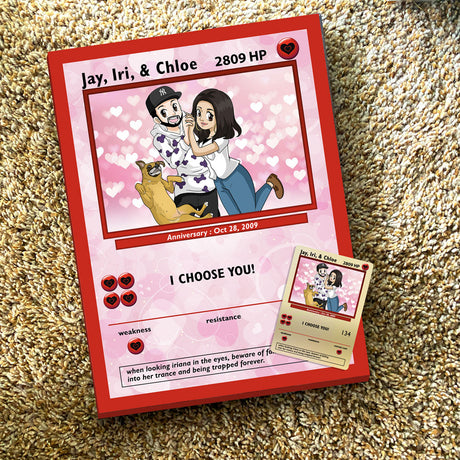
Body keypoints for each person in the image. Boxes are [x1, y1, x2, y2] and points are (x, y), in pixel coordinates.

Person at [184, 88, 284, 215]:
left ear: (221, 115)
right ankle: (269, 184)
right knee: (235, 215)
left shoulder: (221, 139)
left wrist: (190, 129)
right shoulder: (204, 138)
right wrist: (188, 127)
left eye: (209, 115)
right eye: (199, 113)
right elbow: (189, 143)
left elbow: (197, 151)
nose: (202, 119)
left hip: (234, 177)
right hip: (218, 181)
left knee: (250, 213)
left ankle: (270, 183)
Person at [145, 85, 220, 218]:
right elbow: (174, 162)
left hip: (208, 186)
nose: (173, 113)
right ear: (157, 119)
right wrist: (185, 140)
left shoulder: (193, 120)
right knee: (185, 225)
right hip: (184, 191)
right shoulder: (160, 138)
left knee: (213, 221)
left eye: (174, 106)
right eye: (164, 112)